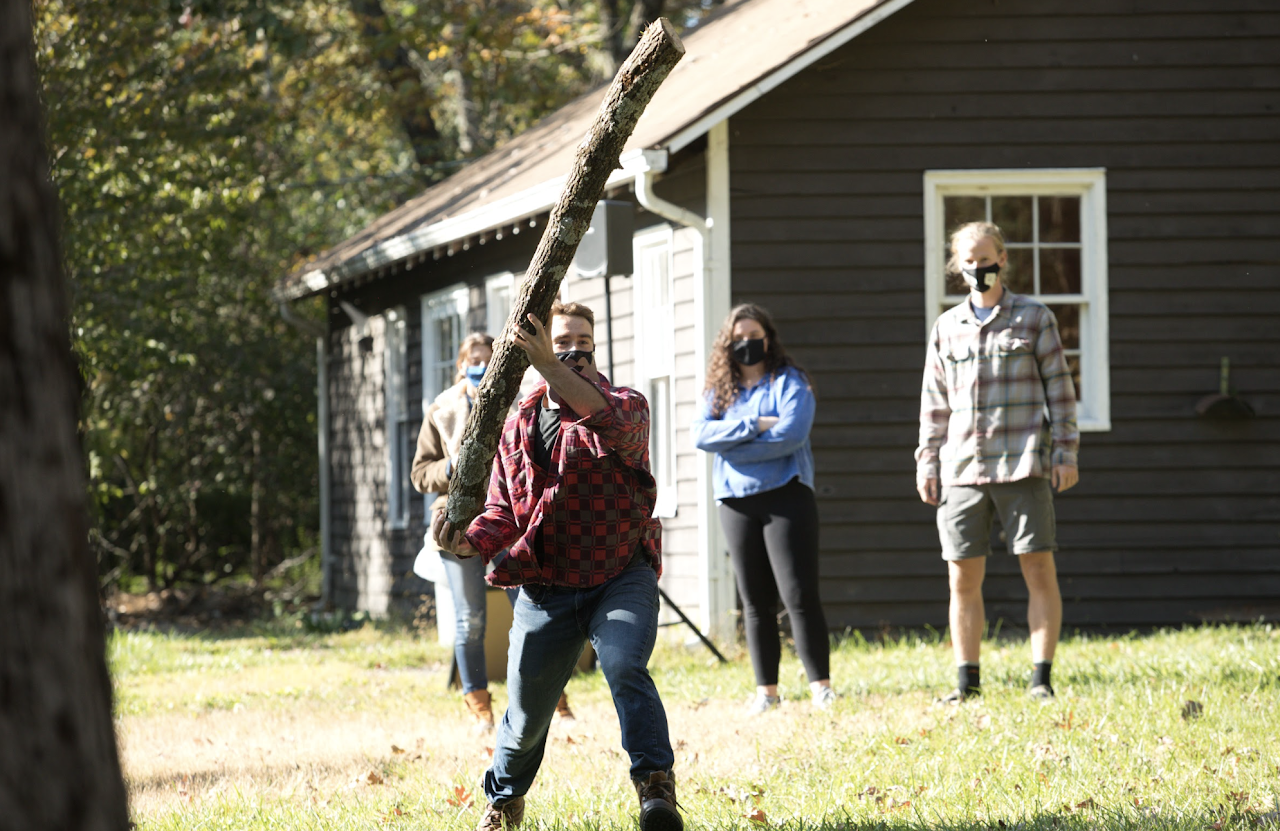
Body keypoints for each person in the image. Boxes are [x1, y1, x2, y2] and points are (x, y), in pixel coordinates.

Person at [432, 301, 683, 831]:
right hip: (546, 584)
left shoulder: (626, 406)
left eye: (582, 343)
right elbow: (503, 510)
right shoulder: (518, 425)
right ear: (534, 347)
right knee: (526, 716)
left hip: (620, 572)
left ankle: (655, 786)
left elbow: (605, 418)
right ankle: (504, 801)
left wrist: (548, 363)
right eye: (560, 342)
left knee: (623, 664)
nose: (572, 352)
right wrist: (467, 542)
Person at [915, 221, 1080, 704]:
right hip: (962, 469)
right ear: (957, 266)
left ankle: (1041, 679)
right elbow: (933, 404)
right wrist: (927, 462)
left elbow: (1061, 393)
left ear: (1002, 259)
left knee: (1038, 568)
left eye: (985, 260)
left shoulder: (1034, 318)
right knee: (962, 578)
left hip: (1023, 464)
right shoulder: (946, 327)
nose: (978, 268)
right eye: (968, 262)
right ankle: (967, 683)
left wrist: (1065, 452)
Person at [410, 332, 575, 731]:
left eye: (488, 359)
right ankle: (479, 706)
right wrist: (450, 468)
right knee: (469, 619)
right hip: (458, 523)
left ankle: (553, 701)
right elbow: (419, 474)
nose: (481, 366)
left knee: (531, 610)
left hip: (509, 518)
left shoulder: (519, 403)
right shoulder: (442, 410)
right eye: (473, 360)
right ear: (461, 365)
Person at [691, 303, 834, 715]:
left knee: (799, 594)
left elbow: (791, 435)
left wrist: (732, 446)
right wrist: (754, 425)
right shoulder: (720, 390)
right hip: (735, 502)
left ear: (768, 340)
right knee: (754, 601)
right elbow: (701, 435)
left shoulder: (790, 381)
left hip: (787, 496)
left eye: (754, 337)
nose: (747, 344)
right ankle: (767, 692)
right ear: (727, 343)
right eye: (738, 338)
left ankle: (821, 687)